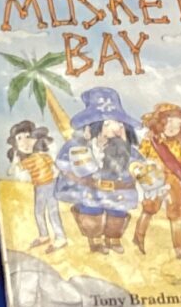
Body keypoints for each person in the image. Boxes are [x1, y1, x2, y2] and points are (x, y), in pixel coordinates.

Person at [56, 88, 141, 253]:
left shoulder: (125, 150)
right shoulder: (80, 145)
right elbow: (63, 161)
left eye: (118, 123)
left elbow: (139, 165)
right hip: (91, 189)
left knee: (117, 214)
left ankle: (114, 239)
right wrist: (73, 173)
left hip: (119, 191)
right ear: (93, 127)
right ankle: (94, 240)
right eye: (107, 123)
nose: (115, 127)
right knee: (91, 214)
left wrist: (147, 179)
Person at [137, 101, 181, 261]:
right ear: (160, 123)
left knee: (175, 216)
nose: (173, 127)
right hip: (155, 180)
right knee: (149, 210)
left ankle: (180, 250)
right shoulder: (151, 142)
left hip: (174, 183)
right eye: (169, 122)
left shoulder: (178, 145)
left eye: (177, 124)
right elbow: (138, 158)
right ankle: (138, 238)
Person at [6, 121, 66, 250]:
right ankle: (44, 235)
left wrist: (55, 175)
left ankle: (60, 238)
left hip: (50, 184)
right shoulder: (26, 161)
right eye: (19, 139)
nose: (25, 142)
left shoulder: (42, 155)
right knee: (38, 211)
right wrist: (15, 161)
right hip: (39, 187)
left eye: (28, 137)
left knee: (52, 211)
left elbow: (55, 167)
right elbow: (10, 172)